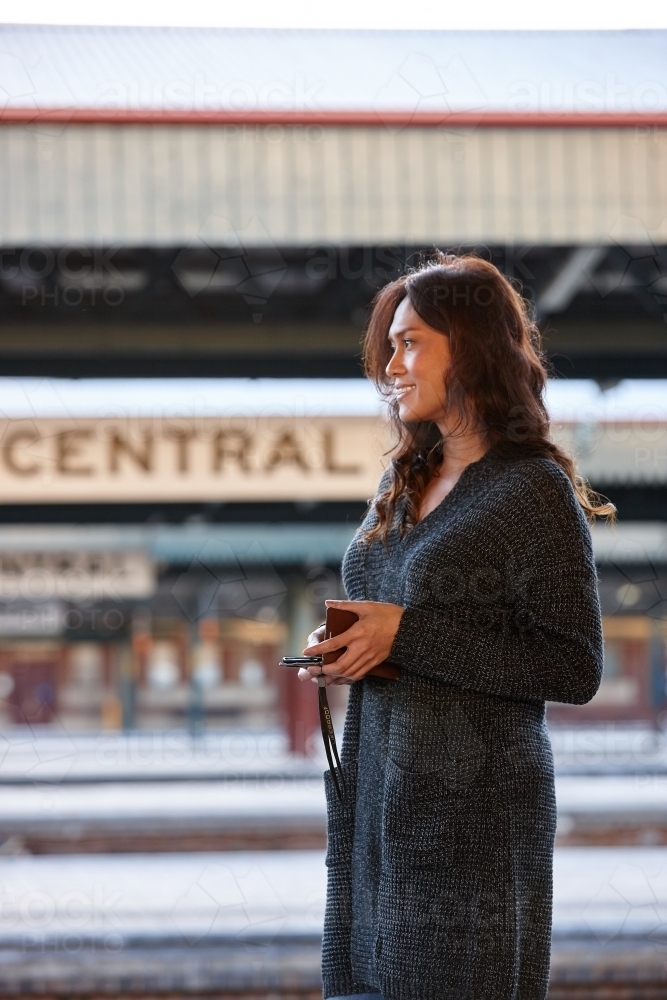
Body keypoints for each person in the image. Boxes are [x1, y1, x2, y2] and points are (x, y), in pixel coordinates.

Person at [298, 253, 612, 1000]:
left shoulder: (529, 491)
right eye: (388, 346)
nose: (390, 365)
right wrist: (346, 647)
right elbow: (394, 618)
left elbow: (573, 667)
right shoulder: (402, 482)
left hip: (472, 825)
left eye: (410, 343)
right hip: (377, 813)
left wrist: (404, 635)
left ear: (468, 347)